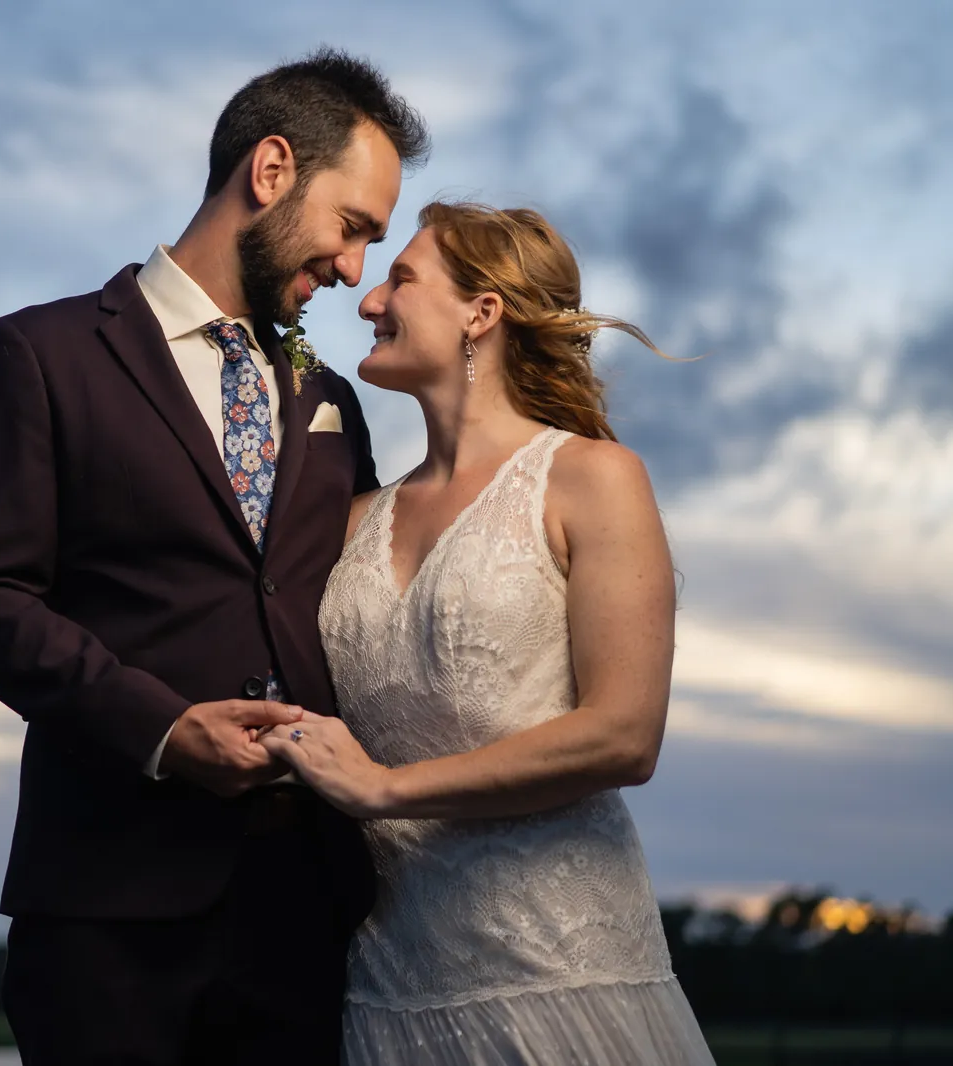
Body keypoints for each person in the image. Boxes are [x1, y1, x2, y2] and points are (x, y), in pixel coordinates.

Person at [0, 49, 428, 1065]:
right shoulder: (40, 355)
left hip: (308, 910)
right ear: (273, 170)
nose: (353, 272)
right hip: (110, 910)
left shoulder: (330, 396)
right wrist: (162, 729)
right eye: (353, 228)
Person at [259, 201, 717, 1064]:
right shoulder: (351, 518)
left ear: (483, 312)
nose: (366, 301)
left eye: (401, 278)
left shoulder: (592, 479)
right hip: (391, 989)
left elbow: (624, 737)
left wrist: (384, 790)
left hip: (560, 976)